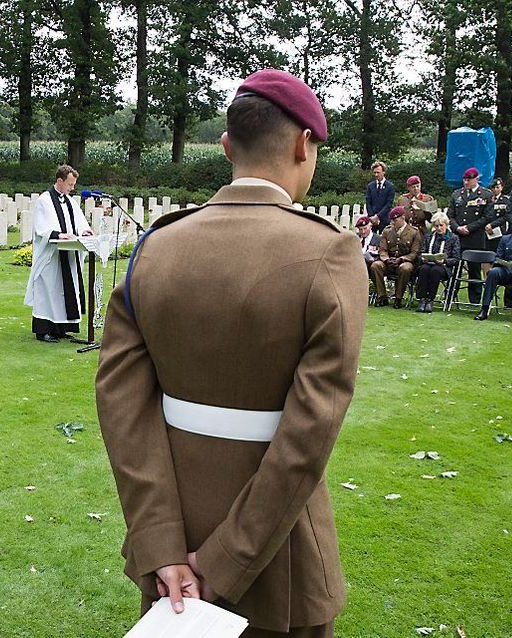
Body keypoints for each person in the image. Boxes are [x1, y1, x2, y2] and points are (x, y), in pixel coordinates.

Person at [96, 69, 367, 638]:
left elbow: (122, 406)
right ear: (303, 143)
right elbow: (310, 428)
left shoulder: (156, 247)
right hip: (277, 548)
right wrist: (227, 559)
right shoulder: (329, 252)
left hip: (173, 537)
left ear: (225, 147)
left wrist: (160, 541)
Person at [24, 165, 94, 342]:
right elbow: (41, 227)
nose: (72, 188)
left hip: (68, 253)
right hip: (51, 255)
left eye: (73, 185)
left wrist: (84, 231)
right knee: (49, 291)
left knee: (65, 291)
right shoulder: (44, 200)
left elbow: (79, 222)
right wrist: (58, 234)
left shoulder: (70, 201)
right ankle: (43, 330)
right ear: (59, 181)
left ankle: (62, 328)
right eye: (70, 184)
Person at [448, 167, 494, 304]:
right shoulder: (457, 194)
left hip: (475, 237)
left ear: (476, 179)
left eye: (469, 180)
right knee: (455, 267)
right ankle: (450, 294)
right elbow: (450, 215)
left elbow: (487, 217)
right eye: (465, 180)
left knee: (474, 269)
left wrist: (469, 227)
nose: (466, 182)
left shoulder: (485, 195)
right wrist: (457, 227)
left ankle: (474, 299)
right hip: (458, 237)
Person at [368, 206, 421, 308]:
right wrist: (386, 259)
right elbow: (382, 249)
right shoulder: (387, 231)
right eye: (392, 220)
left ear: (403, 217)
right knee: (376, 265)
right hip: (389, 261)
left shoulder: (414, 232)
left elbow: (414, 253)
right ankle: (382, 296)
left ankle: (398, 298)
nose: (393, 223)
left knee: (405, 268)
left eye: (395, 220)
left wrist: (401, 259)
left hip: (405, 261)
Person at [414, 212, 460, 313]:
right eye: (436, 226)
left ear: (446, 225)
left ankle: (430, 299)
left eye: (441, 225)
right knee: (424, 269)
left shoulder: (453, 238)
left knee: (435, 270)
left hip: (443, 267)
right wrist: (423, 258)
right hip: (428, 264)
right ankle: (422, 300)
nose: (439, 228)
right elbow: (421, 252)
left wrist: (444, 261)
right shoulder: (429, 236)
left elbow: (456, 259)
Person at [485, 177, 512, 254]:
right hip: (486, 230)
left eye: (497, 187)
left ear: (502, 187)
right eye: (493, 187)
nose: (495, 189)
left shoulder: (506, 200)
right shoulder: (486, 199)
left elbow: (506, 216)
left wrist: (492, 225)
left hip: (499, 231)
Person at [365, 160, 395, 229]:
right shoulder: (370, 186)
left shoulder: (390, 186)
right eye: (374, 172)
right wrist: (372, 217)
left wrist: (377, 216)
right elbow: (368, 202)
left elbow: (388, 204)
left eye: (378, 172)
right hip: (372, 219)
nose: (376, 175)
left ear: (383, 172)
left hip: (384, 219)